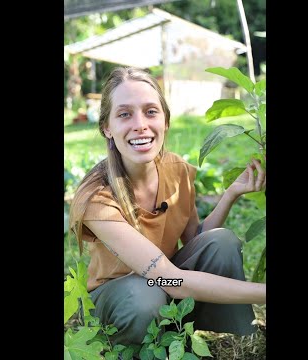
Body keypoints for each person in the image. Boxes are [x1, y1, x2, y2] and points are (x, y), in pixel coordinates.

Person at [69, 66, 266, 348]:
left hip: (165, 282)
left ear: (165, 120)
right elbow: (172, 279)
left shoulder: (176, 169)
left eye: (151, 111)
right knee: (144, 292)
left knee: (221, 240)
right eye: (125, 114)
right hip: (126, 294)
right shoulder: (96, 198)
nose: (140, 124)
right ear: (107, 127)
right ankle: (136, 349)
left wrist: (231, 193)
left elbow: (196, 241)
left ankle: (189, 332)